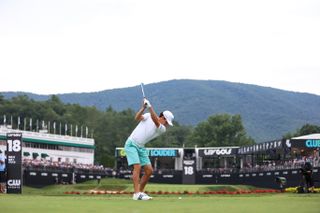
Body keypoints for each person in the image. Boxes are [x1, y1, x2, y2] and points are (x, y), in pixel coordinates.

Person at [124, 98, 174, 200]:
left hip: (141, 147)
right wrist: (143, 108)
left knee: (149, 170)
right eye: (167, 122)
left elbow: (155, 120)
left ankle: (140, 193)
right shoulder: (148, 116)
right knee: (137, 167)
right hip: (131, 144)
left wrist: (150, 106)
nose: (167, 125)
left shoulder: (162, 129)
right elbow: (137, 118)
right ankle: (137, 193)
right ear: (163, 118)